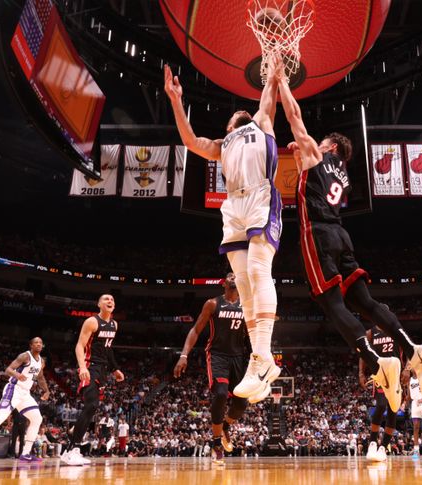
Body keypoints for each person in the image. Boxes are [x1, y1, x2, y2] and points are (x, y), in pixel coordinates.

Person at [273, 58, 422, 410]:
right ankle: (412, 349)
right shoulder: (343, 174)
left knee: (330, 303)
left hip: (316, 233)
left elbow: (294, 116)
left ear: (331, 145)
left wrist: (281, 81)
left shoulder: (319, 152)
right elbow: (311, 160)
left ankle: (380, 365)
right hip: (342, 235)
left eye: (320, 142)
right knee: (365, 302)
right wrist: (301, 151)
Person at [164, 63, 282, 399]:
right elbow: (188, 139)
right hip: (233, 206)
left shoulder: (260, 123)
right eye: (236, 113)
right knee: (243, 284)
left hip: (261, 195)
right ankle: (262, 359)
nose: (242, 111)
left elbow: (269, 95)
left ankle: (261, 356)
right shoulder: (221, 144)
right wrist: (175, 99)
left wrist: (273, 64)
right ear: (228, 126)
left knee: (260, 273)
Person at [173, 273, 251, 465]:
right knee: (221, 394)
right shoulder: (213, 304)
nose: (233, 277)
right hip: (217, 356)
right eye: (229, 275)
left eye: (236, 275)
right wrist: (184, 355)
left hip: (239, 358)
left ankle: (224, 426)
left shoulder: (247, 306)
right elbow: (195, 330)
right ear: (224, 283)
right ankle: (217, 445)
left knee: (241, 403)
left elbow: (255, 332)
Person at [61, 294, 125, 466]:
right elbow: (80, 345)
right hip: (90, 366)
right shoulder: (92, 322)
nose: (110, 301)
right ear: (99, 304)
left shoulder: (114, 324)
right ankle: (72, 450)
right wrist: (82, 367)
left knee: (92, 408)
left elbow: (108, 349)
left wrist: (115, 368)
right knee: (91, 405)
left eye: (112, 299)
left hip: (103, 369)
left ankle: (72, 444)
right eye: (106, 299)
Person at [0, 337, 51, 462]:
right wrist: (17, 375)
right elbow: (8, 370)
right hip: (14, 389)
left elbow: (40, 378)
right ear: (31, 345)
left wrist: (46, 390)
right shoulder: (25, 356)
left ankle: (25, 453)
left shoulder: (41, 362)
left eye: (41, 342)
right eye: (36, 342)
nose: (39, 344)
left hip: (25, 393)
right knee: (1, 416)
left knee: (37, 418)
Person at [359, 325, 402, 462]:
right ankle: (372, 442)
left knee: (393, 410)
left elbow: (408, 350)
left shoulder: (395, 329)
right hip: (379, 373)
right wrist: (361, 373)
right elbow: (363, 353)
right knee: (381, 405)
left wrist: (407, 369)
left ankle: (383, 447)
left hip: (395, 374)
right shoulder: (371, 333)